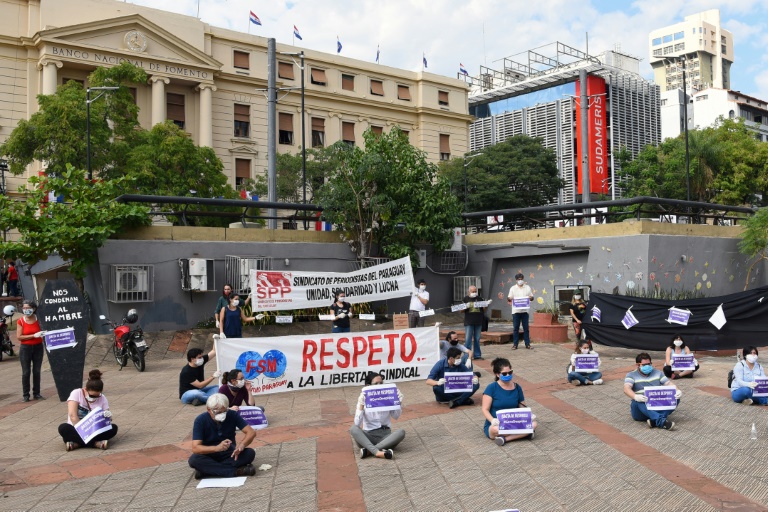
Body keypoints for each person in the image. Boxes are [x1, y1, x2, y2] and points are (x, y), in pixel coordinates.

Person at [188, 393, 257, 479]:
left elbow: (251, 432)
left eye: (224, 411)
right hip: (209, 454)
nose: (222, 414)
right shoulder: (200, 420)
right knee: (194, 460)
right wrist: (217, 448)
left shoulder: (232, 414)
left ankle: (208, 471)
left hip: (229, 454)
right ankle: (236, 472)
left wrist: (242, 445)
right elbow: (195, 448)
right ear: (209, 410)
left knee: (249, 453)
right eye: (218, 412)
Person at [482, 357, 537, 445]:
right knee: (495, 429)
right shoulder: (491, 388)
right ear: (497, 374)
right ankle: (524, 434)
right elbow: (485, 409)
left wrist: (528, 415)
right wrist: (492, 420)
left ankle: (506, 439)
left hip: (513, 421)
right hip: (497, 423)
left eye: (510, 372)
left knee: (534, 424)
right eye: (504, 373)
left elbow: (522, 406)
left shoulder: (517, 387)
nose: (508, 375)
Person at [58, 369, 118, 451]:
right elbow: (72, 415)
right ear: (85, 389)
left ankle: (77, 443)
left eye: (97, 396)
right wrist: (84, 431)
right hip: (77, 428)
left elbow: (106, 420)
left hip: (94, 430)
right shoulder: (76, 393)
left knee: (113, 428)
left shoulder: (103, 398)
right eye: (92, 396)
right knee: (63, 428)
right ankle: (95, 443)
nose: (94, 398)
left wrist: (108, 416)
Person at [350, 371, 405, 460]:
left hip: (385, 436)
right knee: (353, 429)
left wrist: (398, 403)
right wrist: (361, 405)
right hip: (368, 437)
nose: (379, 385)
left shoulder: (387, 398)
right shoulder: (363, 399)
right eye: (376, 383)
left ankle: (369, 451)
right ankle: (378, 451)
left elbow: (396, 416)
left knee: (401, 432)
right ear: (368, 386)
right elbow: (357, 423)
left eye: (381, 383)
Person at [624, 352, 681, 430]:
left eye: (649, 364)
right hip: (640, 410)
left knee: (676, 397)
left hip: (656, 405)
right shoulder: (631, 375)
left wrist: (677, 390)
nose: (647, 366)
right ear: (638, 365)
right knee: (636, 401)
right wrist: (636, 396)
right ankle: (661, 421)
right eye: (644, 365)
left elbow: (668, 383)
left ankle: (655, 420)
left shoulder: (657, 373)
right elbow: (626, 389)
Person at [17, 300, 44, 402]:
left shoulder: (39, 319)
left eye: (28, 308)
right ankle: (26, 395)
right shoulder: (21, 321)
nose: (26, 310)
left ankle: (36, 393)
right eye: (24, 308)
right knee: (26, 372)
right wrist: (33, 335)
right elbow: (19, 337)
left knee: (36, 371)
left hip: (38, 347)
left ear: (34, 309)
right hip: (25, 349)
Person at [507, 272, 534, 349]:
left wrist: (530, 298)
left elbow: (532, 297)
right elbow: (508, 298)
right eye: (519, 279)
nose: (520, 281)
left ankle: (527, 344)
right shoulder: (513, 288)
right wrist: (510, 298)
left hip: (525, 311)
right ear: (516, 280)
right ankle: (515, 344)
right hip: (516, 311)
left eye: (521, 279)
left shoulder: (527, 287)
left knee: (526, 328)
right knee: (516, 328)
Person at [462, 285, 486, 360]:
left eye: (475, 291)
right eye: (473, 291)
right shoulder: (465, 299)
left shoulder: (479, 298)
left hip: (478, 321)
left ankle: (477, 355)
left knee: (477, 338)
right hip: (469, 321)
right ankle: (467, 355)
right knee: (468, 339)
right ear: (469, 291)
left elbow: (484, 310)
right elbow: (461, 310)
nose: (474, 293)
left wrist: (486, 304)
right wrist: (466, 306)